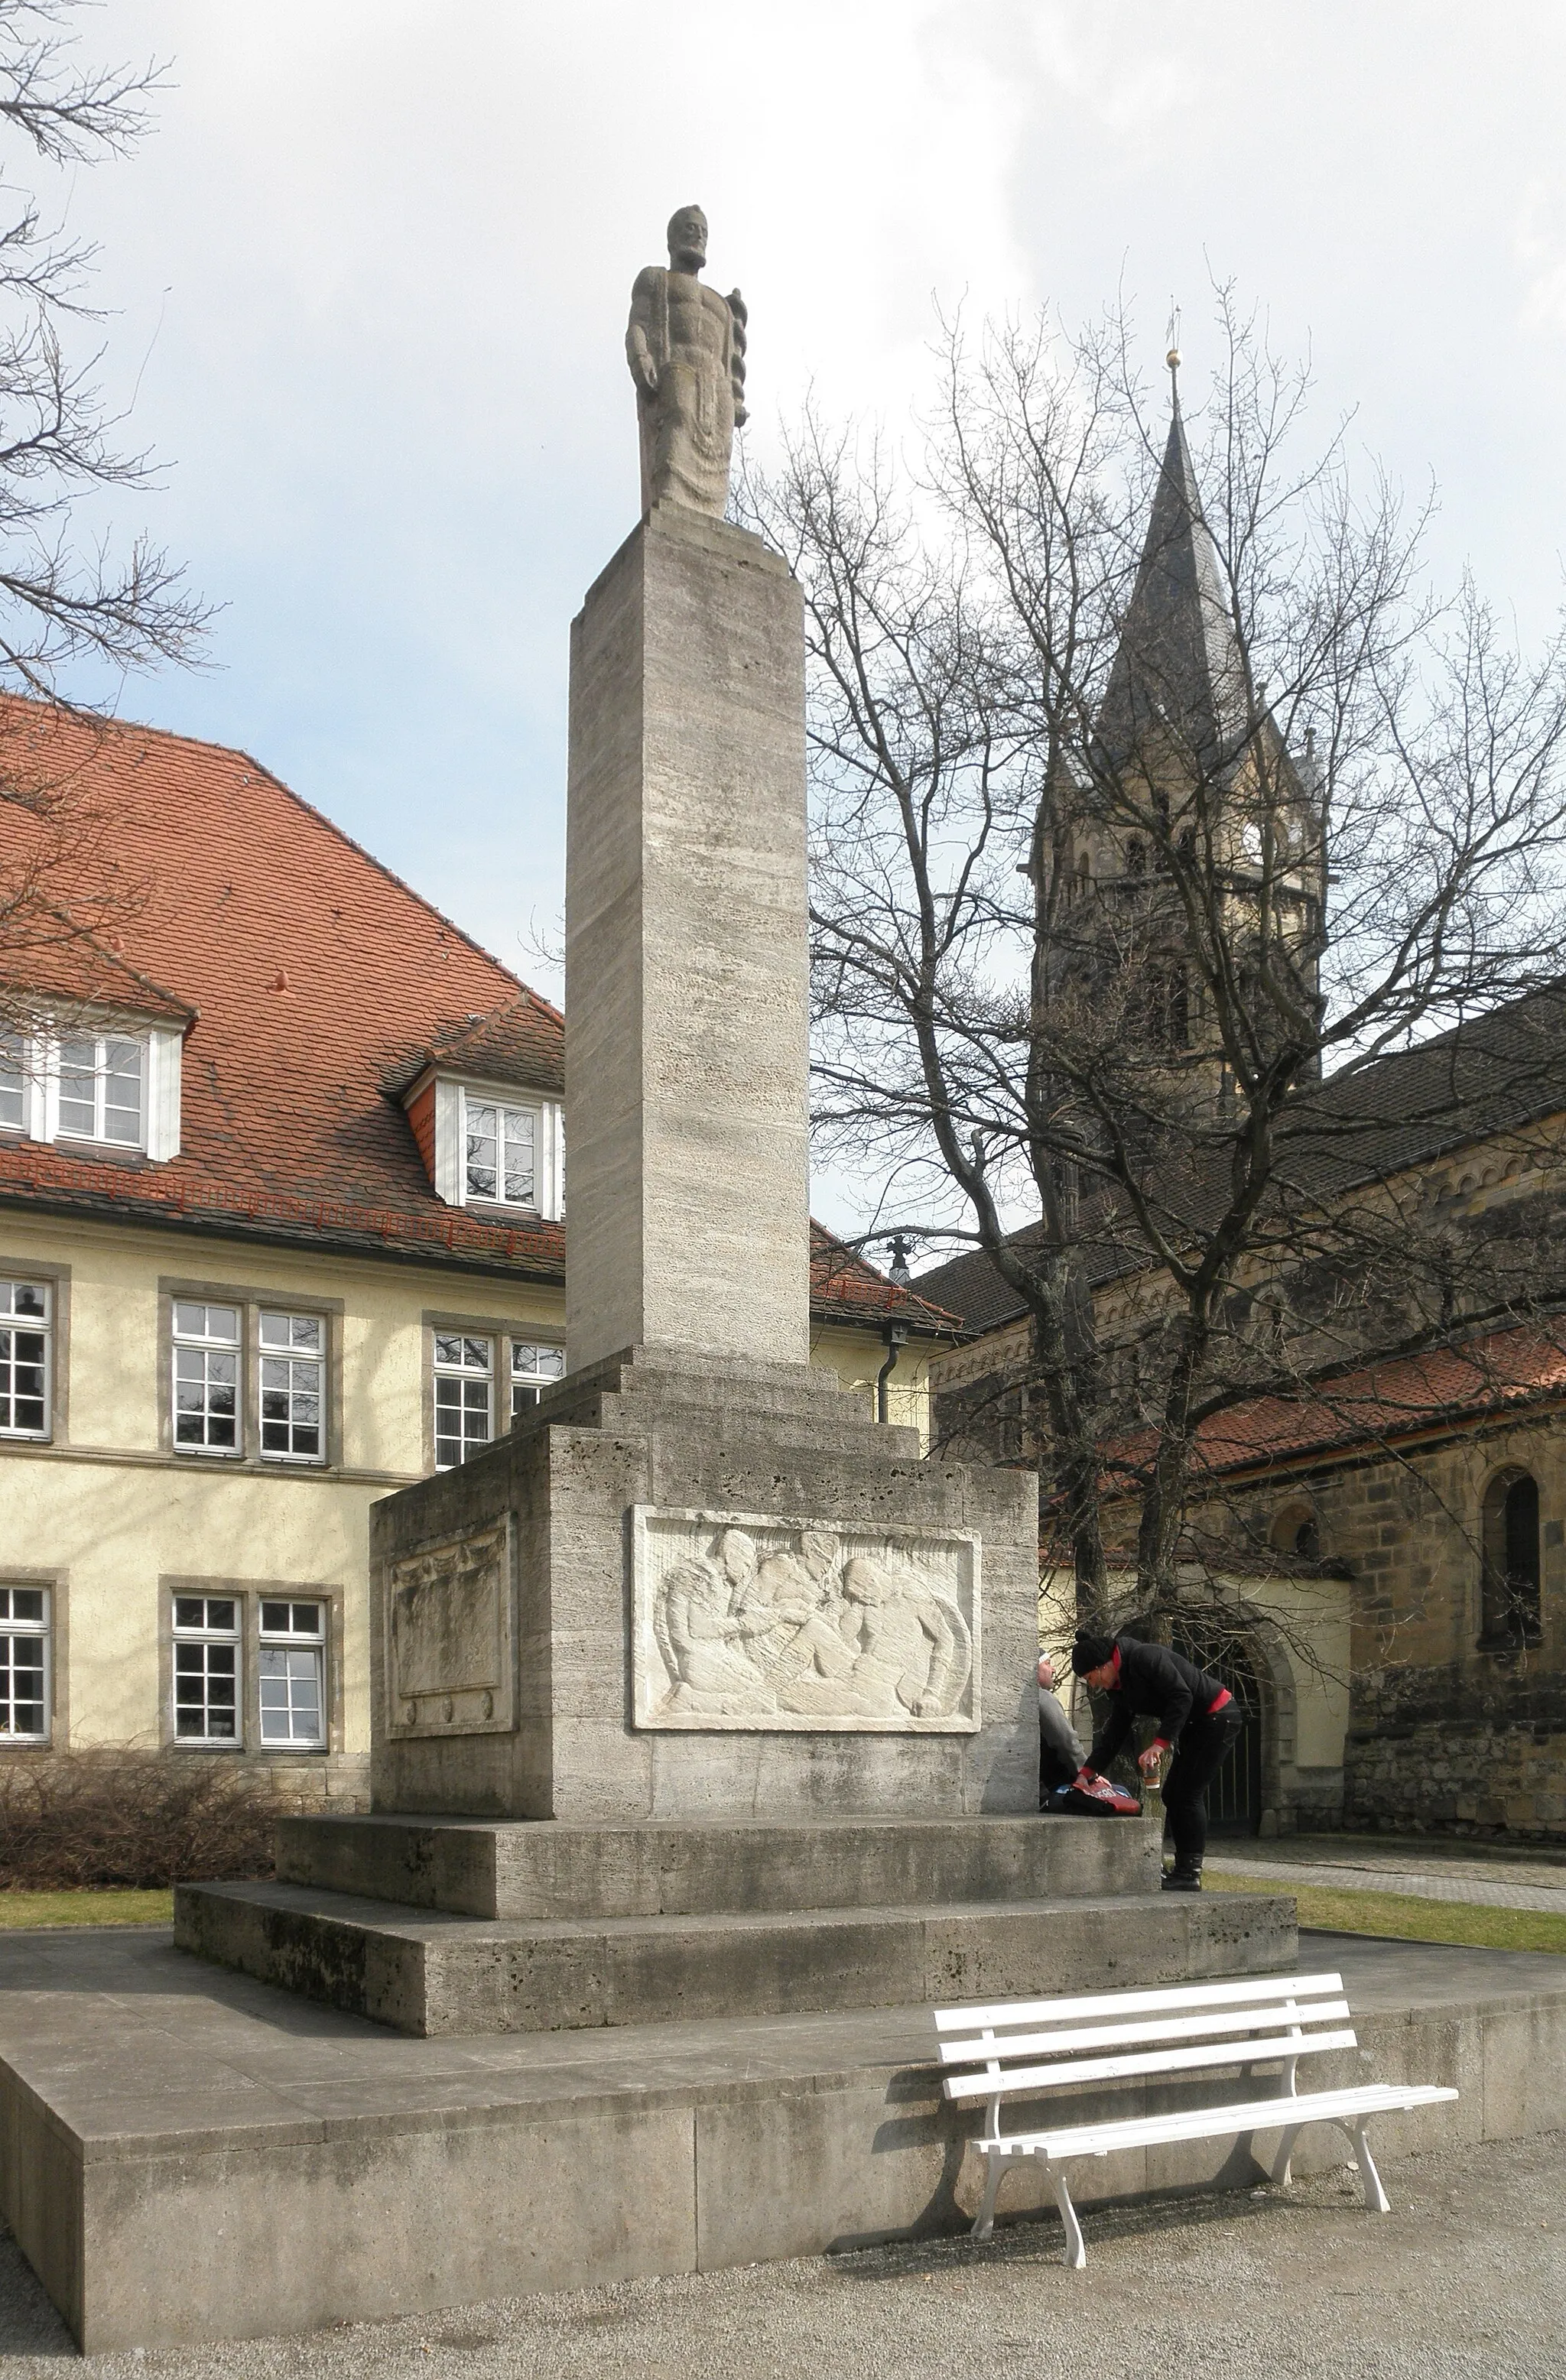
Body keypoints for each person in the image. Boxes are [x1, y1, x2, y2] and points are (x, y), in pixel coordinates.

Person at [1069, 1627, 1243, 1889]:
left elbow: (1182, 1696)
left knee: (1186, 1795)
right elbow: (1114, 1736)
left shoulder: (1144, 1657)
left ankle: (1189, 1874)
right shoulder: (1119, 1688)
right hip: (1198, 1722)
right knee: (1172, 1794)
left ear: (1104, 1666)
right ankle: (1184, 1871)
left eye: (1091, 1677)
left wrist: (1158, 1745)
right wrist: (1087, 1774)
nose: (1093, 1685)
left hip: (1218, 1716)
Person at [1036, 1653, 1086, 1800]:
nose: (1053, 1669)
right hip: (1051, 1788)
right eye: (1047, 1663)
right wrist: (1087, 1773)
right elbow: (1066, 1741)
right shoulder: (1042, 1697)